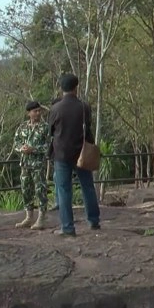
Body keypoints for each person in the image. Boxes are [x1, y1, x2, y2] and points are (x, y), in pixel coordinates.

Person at [48, 74, 101, 236]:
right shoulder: (84, 107)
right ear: (76, 87)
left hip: (62, 154)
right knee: (87, 186)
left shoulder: (55, 108)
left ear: (61, 88)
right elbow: (88, 128)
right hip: (81, 153)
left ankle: (68, 227)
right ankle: (93, 221)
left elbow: (50, 131)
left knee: (64, 190)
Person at [14, 101, 50, 230]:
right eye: (35, 111)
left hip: (38, 164)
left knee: (40, 189)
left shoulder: (45, 127)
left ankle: (41, 218)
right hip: (25, 163)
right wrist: (21, 148)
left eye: (39, 111)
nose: (38, 113)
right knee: (26, 189)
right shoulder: (22, 127)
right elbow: (16, 143)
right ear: (28, 113)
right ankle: (29, 217)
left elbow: (49, 146)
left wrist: (33, 149)